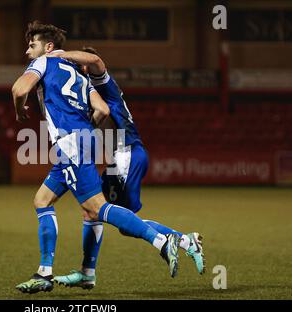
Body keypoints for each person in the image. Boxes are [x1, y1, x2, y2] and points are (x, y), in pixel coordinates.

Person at [12, 21, 181, 294]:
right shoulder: (81, 78)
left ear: (48, 47)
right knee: (42, 199)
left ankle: (161, 241)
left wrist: (20, 111)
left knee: (97, 207)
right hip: (86, 140)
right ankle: (46, 272)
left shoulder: (43, 63)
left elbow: (19, 90)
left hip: (71, 143)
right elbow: (101, 109)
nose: (28, 51)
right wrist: (85, 132)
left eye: (32, 45)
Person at [49, 48, 206, 289]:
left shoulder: (101, 83)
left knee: (101, 211)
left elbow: (95, 60)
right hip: (123, 157)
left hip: (128, 154)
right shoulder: (84, 90)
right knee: (95, 212)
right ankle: (88, 272)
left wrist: (62, 55)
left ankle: (171, 242)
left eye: (77, 64)